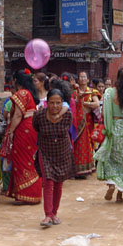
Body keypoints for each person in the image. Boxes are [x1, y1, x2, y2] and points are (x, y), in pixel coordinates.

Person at [33, 89, 75, 227]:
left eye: (58, 103)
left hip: (62, 153)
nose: (55, 106)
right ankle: (48, 215)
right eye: (52, 103)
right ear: (47, 103)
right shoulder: (39, 115)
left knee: (58, 183)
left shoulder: (68, 115)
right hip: (45, 152)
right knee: (48, 181)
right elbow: (36, 127)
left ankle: (54, 213)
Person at [95, 68, 123, 202]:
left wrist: (108, 129)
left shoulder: (109, 93)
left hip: (113, 129)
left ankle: (111, 184)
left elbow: (105, 113)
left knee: (111, 160)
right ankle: (120, 194)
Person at [6, 71, 42, 204]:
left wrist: (10, 131)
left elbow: (17, 115)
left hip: (23, 129)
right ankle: (31, 192)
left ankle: (25, 193)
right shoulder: (28, 94)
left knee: (21, 159)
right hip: (30, 129)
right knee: (28, 160)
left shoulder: (21, 93)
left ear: (16, 80)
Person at [72, 71, 99, 178]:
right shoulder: (74, 91)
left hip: (88, 120)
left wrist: (85, 103)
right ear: (78, 79)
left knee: (90, 143)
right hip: (77, 121)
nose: (83, 79)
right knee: (77, 143)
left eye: (84, 77)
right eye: (81, 77)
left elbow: (96, 103)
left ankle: (89, 165)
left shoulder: (92, 91)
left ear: (88, 80)